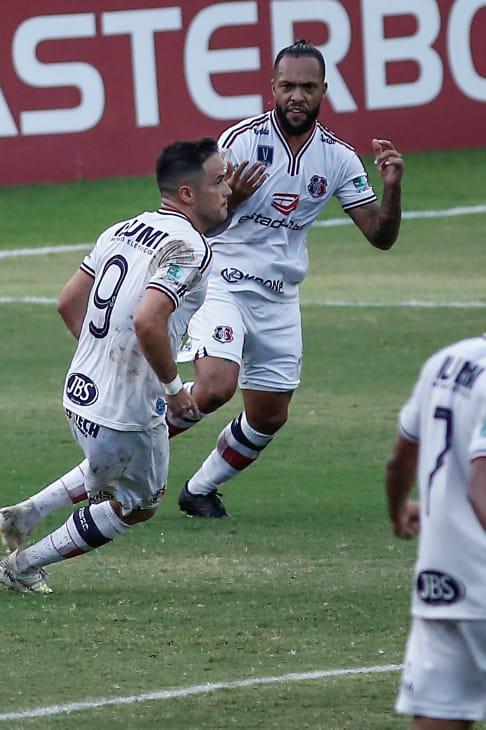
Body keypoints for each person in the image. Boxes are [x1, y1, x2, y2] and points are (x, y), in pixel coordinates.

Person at [169, 40, 405, 518]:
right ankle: (116, 450)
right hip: (224, 282)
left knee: (269, 415)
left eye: (307, 87)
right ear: (272, 88)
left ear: (324, 91)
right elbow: (195, 219)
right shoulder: (237, 142)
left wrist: (393, 188)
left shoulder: (338, 158)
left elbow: (380, 235)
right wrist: (230, 198)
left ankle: (199, 491)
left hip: (279, 297)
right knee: (215, 386)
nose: (297, 95)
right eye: (288, 86)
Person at [0, 138, 229, 594]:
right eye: (218, 182)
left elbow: (67, 304)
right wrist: (176, 390)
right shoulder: (190, 248)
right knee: (138, 505)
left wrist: (104, 359)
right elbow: (148, 320)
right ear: (187, 194)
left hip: (79, 392)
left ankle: (26, 514)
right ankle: (22, 567)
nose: (228, 190)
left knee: (108, 465)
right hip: (127, 411)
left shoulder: (120, 229)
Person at [386, 335, 486, 728]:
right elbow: (482, 491)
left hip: (442, 588)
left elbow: (400, 459)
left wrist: (398, 511)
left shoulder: (447, 361)